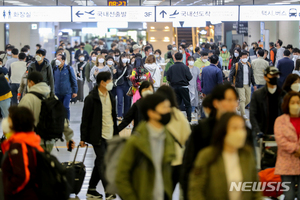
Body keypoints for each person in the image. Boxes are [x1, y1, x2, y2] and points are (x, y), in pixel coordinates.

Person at [181, 84, 240, 200]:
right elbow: (189, 164)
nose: (233, 104)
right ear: (216, 103)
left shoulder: (242, 130)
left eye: (235, 100)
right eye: (228, 100)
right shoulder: (202, 130)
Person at [189, 112, 261, 200]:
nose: (240, 133)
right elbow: (196, 190)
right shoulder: (207, 156)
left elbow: (255, 188)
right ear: (223, 131)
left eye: (242, 128)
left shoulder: (247, 154)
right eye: (234, 128)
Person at [116, 93, 175, 200]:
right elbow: (121, 177)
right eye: (164, 108)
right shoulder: (135, 142)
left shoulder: (168, 138)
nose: (168, 111)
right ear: (151, 113)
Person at [80, 71, 118, 199]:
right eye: (109, 81)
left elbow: (113, 116)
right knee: (103, 161)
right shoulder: (91, 98)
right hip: (97, 135)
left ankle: (91, 189)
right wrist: (83, 138)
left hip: (110, 133)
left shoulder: (110, 96)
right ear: (102, 82)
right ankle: (109, 190)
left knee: (99, 162)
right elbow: (85, 119)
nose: (111, 83)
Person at [19, 71, 75, 152]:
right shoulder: (53, 97)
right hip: (49, 141)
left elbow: (19, 121)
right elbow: (61, 119)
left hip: (32, 142)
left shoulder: (27, 98)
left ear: (30, 82)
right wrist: (69, 138)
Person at [1, 106, 44, 200]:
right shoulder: (31, 141)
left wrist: (8, 190)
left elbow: (22, 176)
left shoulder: (18, 145)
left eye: (9, 119)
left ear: (15, 123)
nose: (6, 121)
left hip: (22, 195)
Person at [156, 86, 191, 190]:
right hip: (176, 161)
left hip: (159, 160)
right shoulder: (178, 115)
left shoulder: (154, 115)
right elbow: (187, 138)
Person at [274, 91, 300, 200]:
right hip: (286, 163)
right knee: (288, 196)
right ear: (287, 104)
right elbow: (281, 140)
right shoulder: (280, 121)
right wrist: (297, 149)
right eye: (292, 102)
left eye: (298, 102)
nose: (296, 105)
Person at [250, 66, 286, 136]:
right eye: (272, 75)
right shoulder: (257, 95)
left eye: (277, 75)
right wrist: (257, 131)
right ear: (265, 77)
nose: (275, 77)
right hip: (263, 133)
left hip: (280, 134)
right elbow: (253, 115)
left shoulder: (283, 95)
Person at [229, 50, 256, 118]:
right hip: (239, 84)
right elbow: (231, 75)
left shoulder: (249, 65)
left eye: (246, 57)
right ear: (240, 58)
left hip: (248, 84)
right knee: (242, 99)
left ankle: (238, 108)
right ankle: (243, 114)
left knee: (248, 100)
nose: (245, 58)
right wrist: (232, 83)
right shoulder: (236, 65)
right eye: (243, 57)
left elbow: (251, 75)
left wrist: (254, 84)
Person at [167, 52, 193, 122]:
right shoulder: (185, 67)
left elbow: (168, 78)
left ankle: (175, 119)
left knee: (175, 104)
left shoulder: (171, 67)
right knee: (187, 104)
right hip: (184, 87)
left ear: (174, 58)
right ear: (182, 58)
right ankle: (189, 119)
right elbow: (190, 77)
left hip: (174, 87)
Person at [53, 54, 78, 120]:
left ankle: (67, 121)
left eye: (59, 59)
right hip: (57, 92)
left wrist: (75, 91)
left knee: (66, 107)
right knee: (58, 108)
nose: (57, 61)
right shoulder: (55, 69)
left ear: (63, 61)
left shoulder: (69, 68)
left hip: (67, 93)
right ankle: (59, 122)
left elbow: (73, 80)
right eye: (56, 59)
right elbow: (52, 80)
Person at [114, 53, 132, 121]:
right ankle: (119, 115)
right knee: (120, 100)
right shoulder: (117, 67)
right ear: (120, 59)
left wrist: (131, 77)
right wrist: (114, 73)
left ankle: (126, 115)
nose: (124, 59)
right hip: (119, 85)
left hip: (127, 85)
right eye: (123, 57)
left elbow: (132, 76)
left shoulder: (130, 67)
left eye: (126, 57)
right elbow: (115, 77)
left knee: (127, 101)